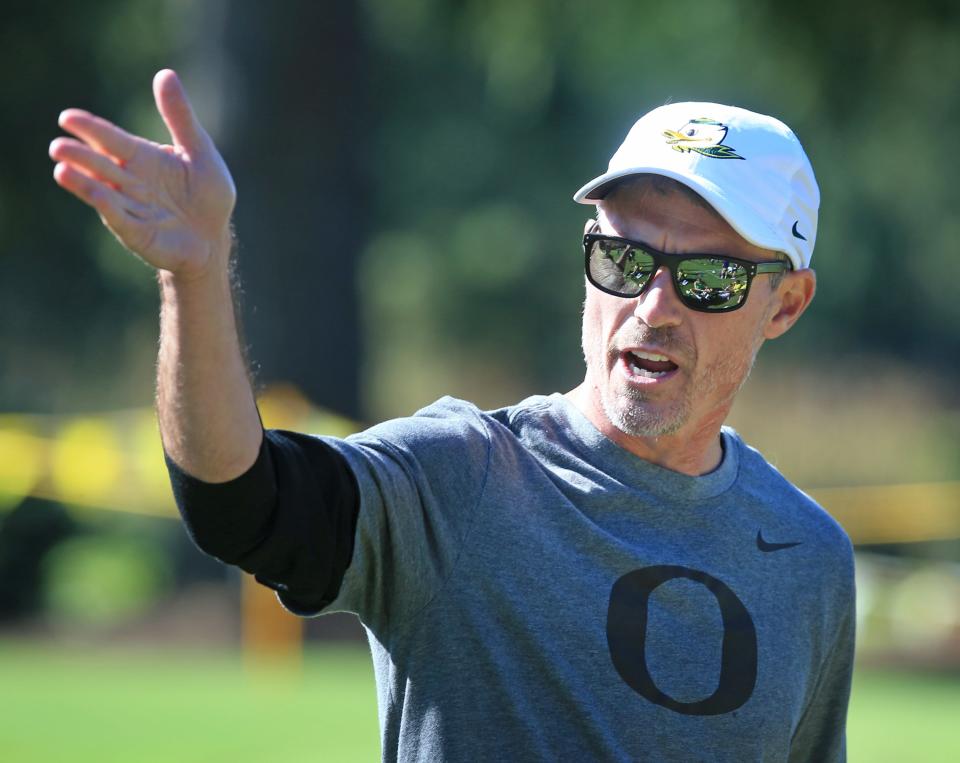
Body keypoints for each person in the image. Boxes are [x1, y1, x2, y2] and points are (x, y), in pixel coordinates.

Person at [51, 70, 855, 762]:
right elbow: (242, 503)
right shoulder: (461, 475)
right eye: (624, 258)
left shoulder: (810, 557)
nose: (652, 306)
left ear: (786, 303)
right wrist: (192, 277)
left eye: (708, 278)